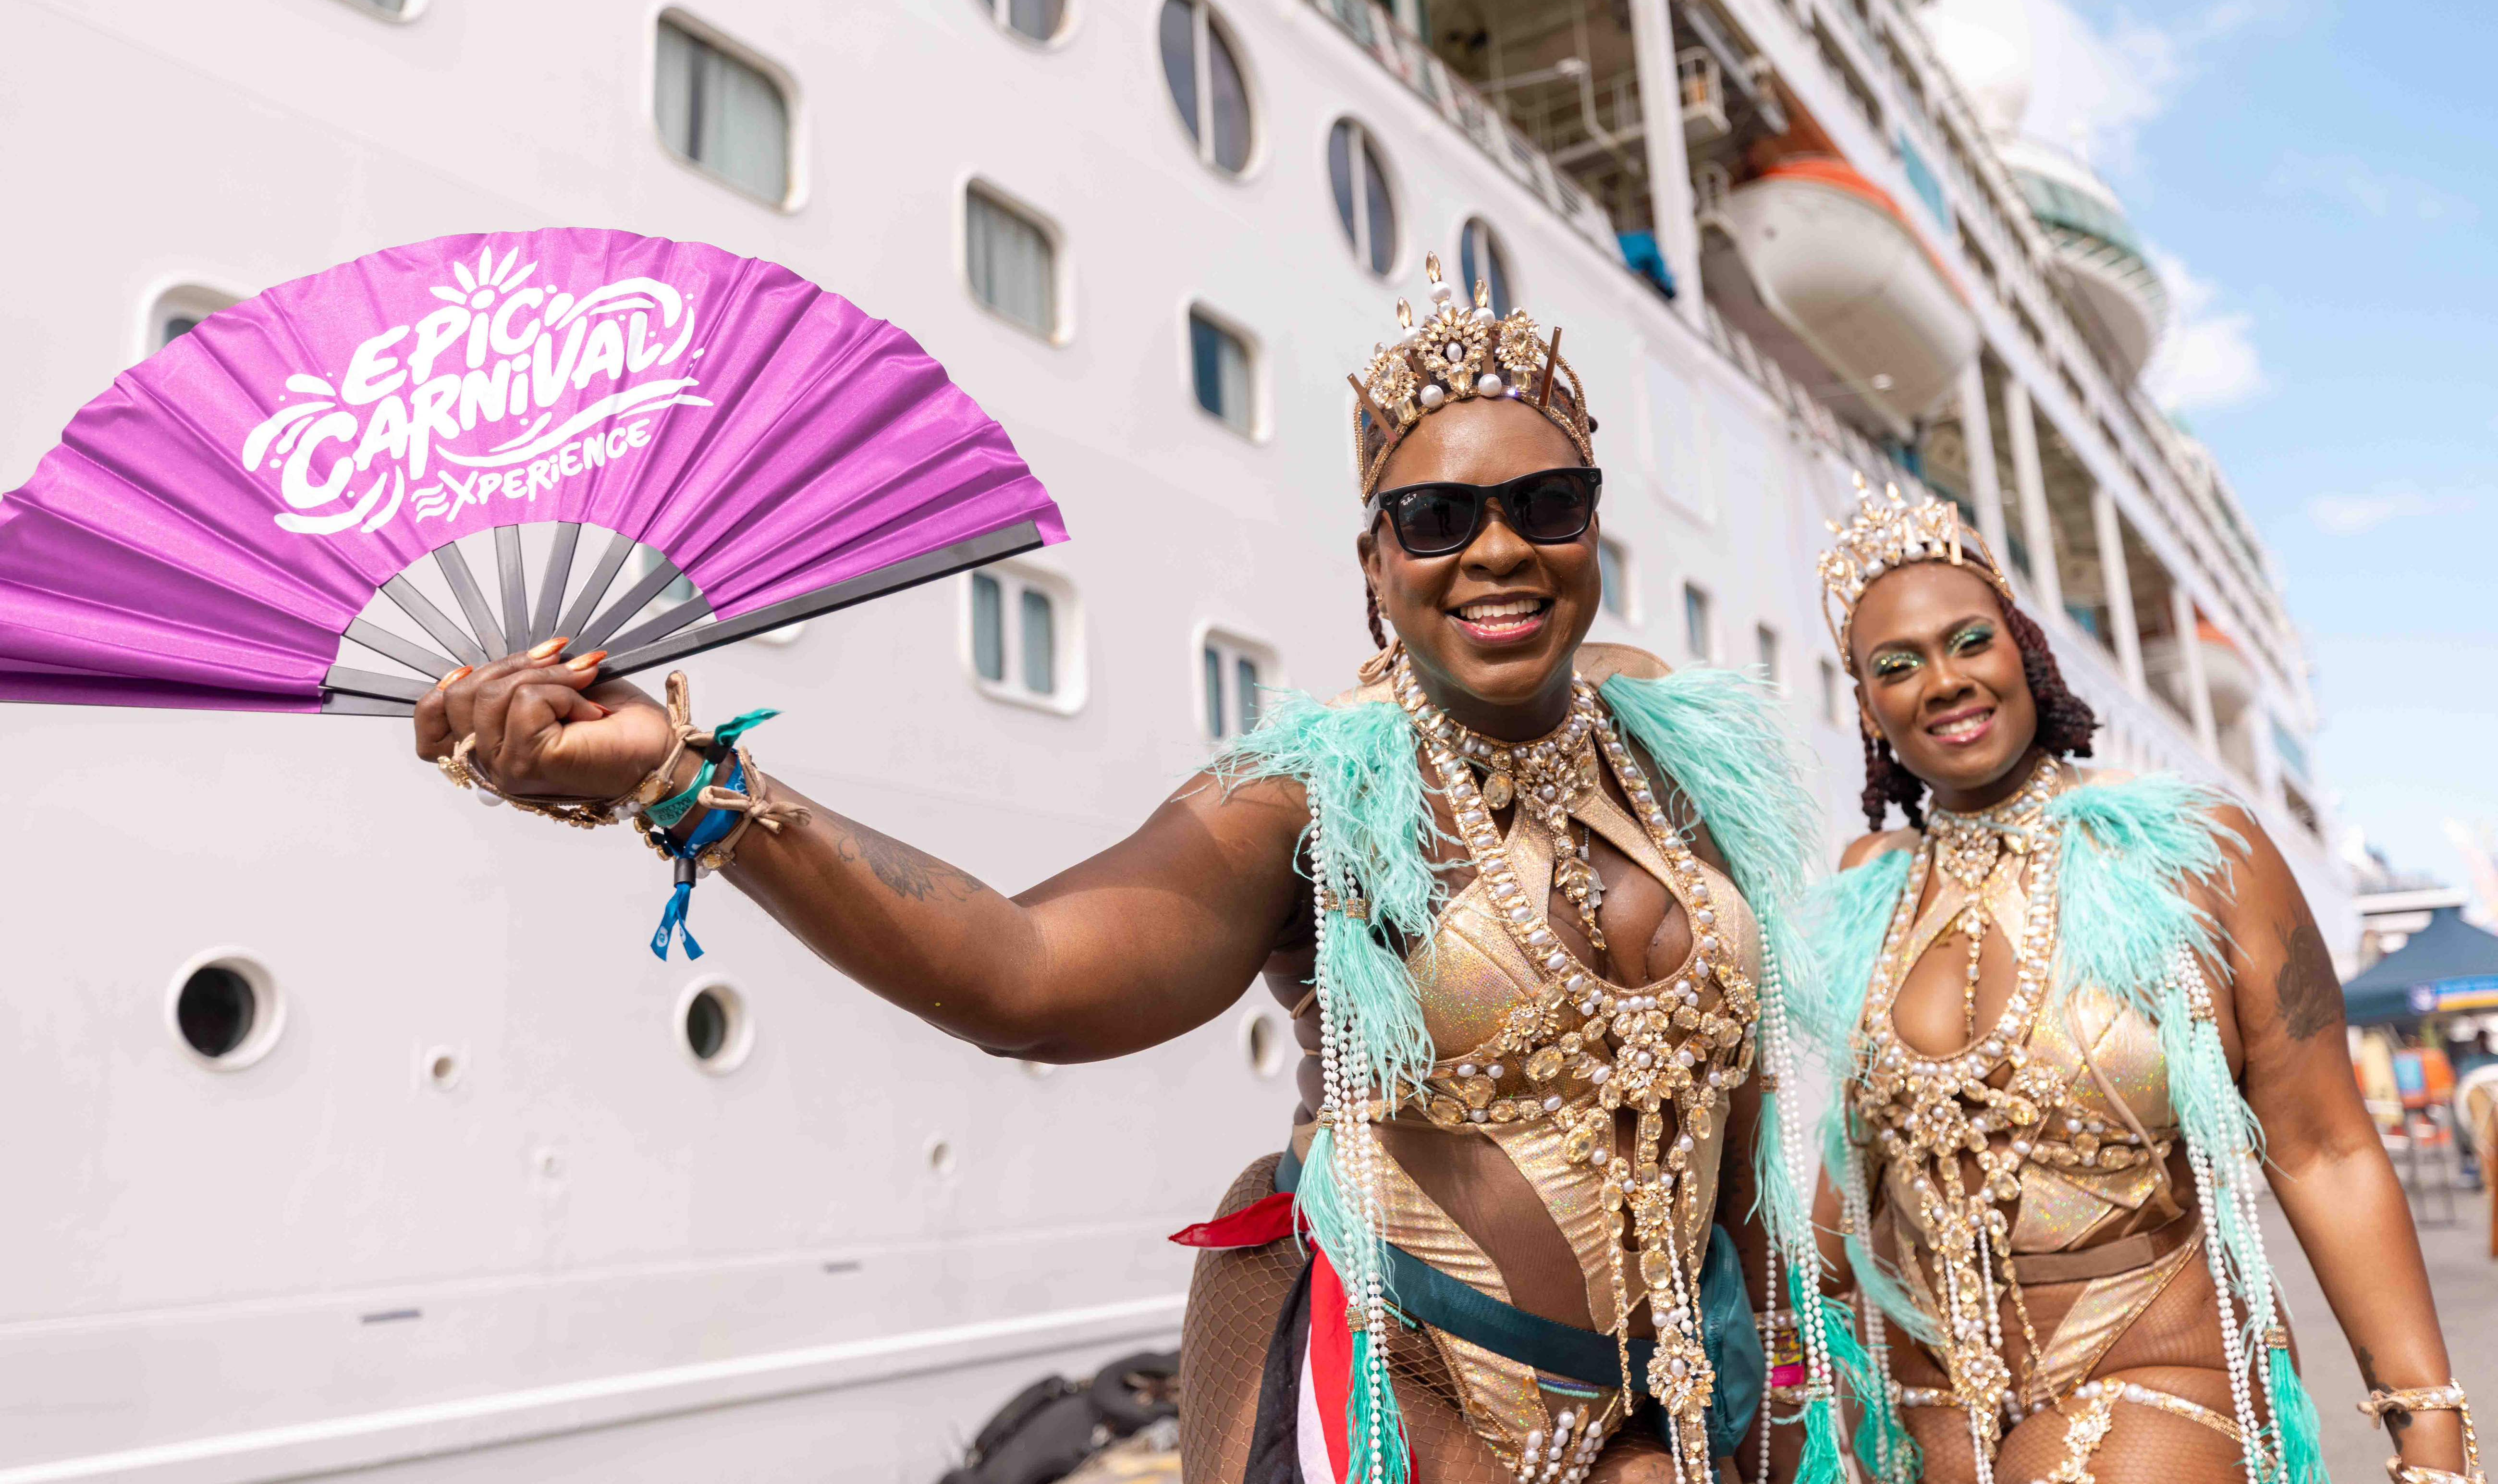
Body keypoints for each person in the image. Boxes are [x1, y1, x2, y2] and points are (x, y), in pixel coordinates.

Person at [409, 258, 1843, 1484]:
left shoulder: (1669, 740)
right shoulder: (1309, 794)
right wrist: (685, 774)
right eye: (1437, 519)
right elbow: (1024, 976)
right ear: (1374, 563)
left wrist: (1783, 1385)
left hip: (1697, 1404)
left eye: (1548, 502)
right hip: (1437, 1418)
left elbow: (1742, 1119)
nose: (1499, 549)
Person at [1787, 481, 2478, 1484]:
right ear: (1864, 705)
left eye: (1968, 642)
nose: (1941, 681)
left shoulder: (2189, 850)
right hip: (1919, 1400)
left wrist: (2430, 1434)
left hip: (2151, 1365)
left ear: (2024, 650)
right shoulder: (1867, 888)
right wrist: (1766, 1346)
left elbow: (2323, 1145)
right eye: (1896, 666)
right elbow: (1857, 1155)